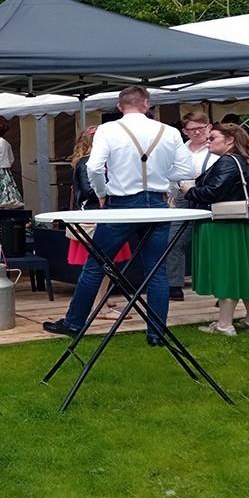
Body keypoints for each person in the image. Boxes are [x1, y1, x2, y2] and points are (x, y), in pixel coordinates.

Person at [42, 86, 194, 345]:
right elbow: (185, 169)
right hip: (157, 204)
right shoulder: (169, 132)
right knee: (156, 271)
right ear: (147, 104)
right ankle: (157, 333)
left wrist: (102, 193)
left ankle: (75, 323)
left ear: (119, 106)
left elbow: (94, 166)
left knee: (95, 265)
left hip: (121, 203)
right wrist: (160, 179)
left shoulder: (108, 130)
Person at [182, 122, 249, 336]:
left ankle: (224, 324)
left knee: (226, 272)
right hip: (245, 225)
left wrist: (190, 190)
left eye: (212, 138)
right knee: (247, 272)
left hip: (224, 224)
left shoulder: (227, 162)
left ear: (230, 140)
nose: (207, 141)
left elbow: (212, 192)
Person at [68, 126, 131, 315]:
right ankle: (99, 306)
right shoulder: (88, 163)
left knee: (103, 263)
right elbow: (90, 191)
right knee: (103, 264)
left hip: (97, 216)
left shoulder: (84, 162)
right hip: (96, 217)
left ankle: (100, 299)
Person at [166, 111, 213, 301]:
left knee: (210, 242)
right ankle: (174, 285)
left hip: (209, 197)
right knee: (173, 240)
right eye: (192, 129)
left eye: (200, 128)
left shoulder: (215, 148)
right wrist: (170, 196)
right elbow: (170, 173)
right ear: (184, 131)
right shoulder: (180, 149)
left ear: (208, 127)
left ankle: (216, 285)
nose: (197, 132)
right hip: (183, 198)